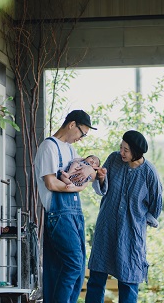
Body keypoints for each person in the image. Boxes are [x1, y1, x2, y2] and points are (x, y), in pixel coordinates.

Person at [34, 109, 104, 303]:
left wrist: (90, 169)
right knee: (74, 264)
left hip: (74, 213)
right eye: (82, 133)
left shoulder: (70, 150)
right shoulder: (49, 147)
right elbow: (50, 183)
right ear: (72, 124)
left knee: (74, 268)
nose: (82, 138)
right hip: (59, 215)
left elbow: (84, 175)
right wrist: (74, 188)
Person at [86, 130, 163, 303]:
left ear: (136, 152)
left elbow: (156, 207)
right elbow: (102, 189)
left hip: (131, 233)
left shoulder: (150, 173)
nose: (121, 152)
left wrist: (138, 219)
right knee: (97, 277)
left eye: (126, 150)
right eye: (121, 148)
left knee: (129, 280)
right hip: (107, 226)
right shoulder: (113, 159)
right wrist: (101, 178)